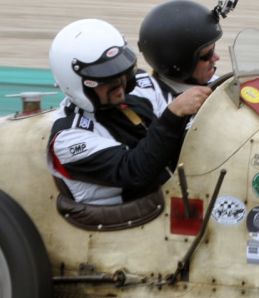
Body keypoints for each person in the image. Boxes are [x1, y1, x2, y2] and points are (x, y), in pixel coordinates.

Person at [46, 18, 211, 205]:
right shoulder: (69, 138)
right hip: (131, 218)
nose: (119, 83)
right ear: (77, 83)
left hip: (171, 195)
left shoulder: (136, 91)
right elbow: (135, 171)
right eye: (106, 77)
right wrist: (173, 114)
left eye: (120, 70)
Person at [137, 0, 238, 103]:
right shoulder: (147, 98)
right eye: (207, 55)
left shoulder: (219, 84)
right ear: (179, 61)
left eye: (213, 49)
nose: (216, 58)